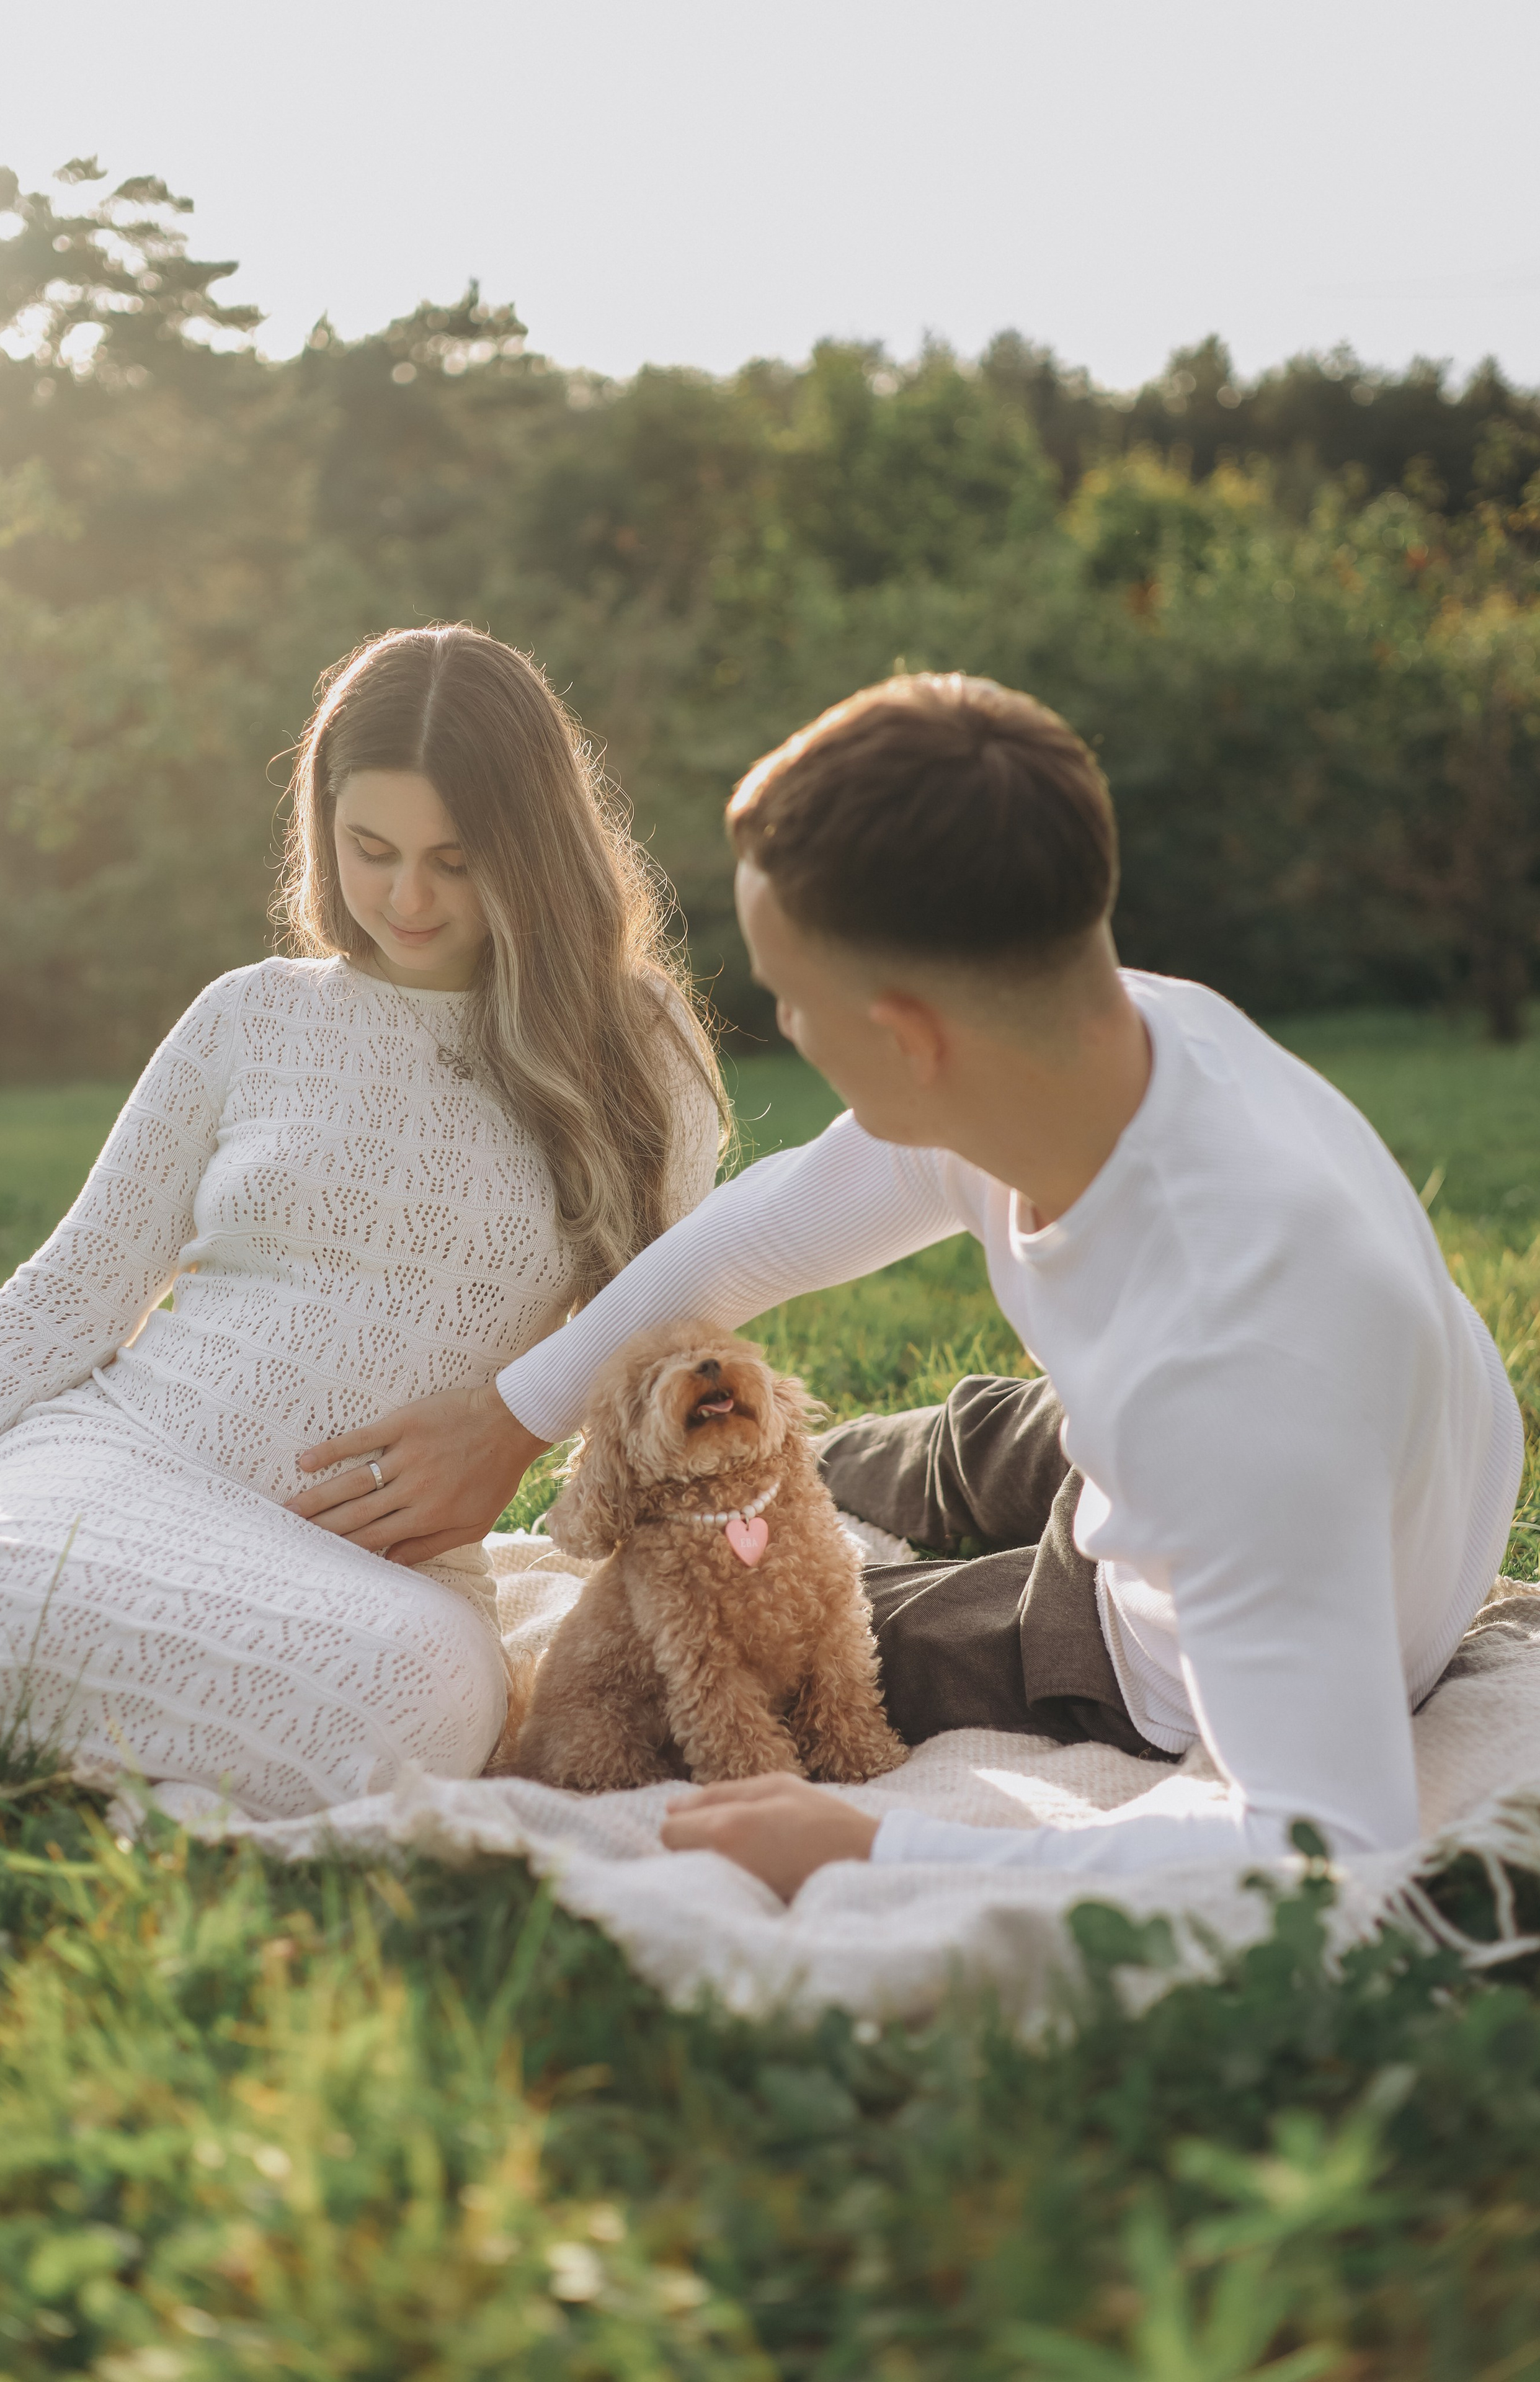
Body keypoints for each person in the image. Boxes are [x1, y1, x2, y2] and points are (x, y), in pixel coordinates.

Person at [293, 671, 1523, 1895]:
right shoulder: (1113, 1038)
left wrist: (877, 1843)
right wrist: (513, 1418)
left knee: (804, 1614)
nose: (782, 1023)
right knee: (852, 1460)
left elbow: (1326, 1848)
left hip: (1207, 1597)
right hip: (1238, 1434)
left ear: (908, 1038)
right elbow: (761, 1232)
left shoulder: (1227, 1385)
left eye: (787, 1000)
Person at [0, 625, 723, 1816]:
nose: (407, 898)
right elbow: (66, 1298)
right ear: (323, 826)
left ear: (535, 850)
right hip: (124, 1461)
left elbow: (669, 1350)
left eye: (457, 861)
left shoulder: (635, 1051)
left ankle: (62, 1754)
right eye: (371, 849)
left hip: (373, 1573)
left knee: (427, 1702)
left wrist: (530, 1427)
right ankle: (129, 1765)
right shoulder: (249, 1016)